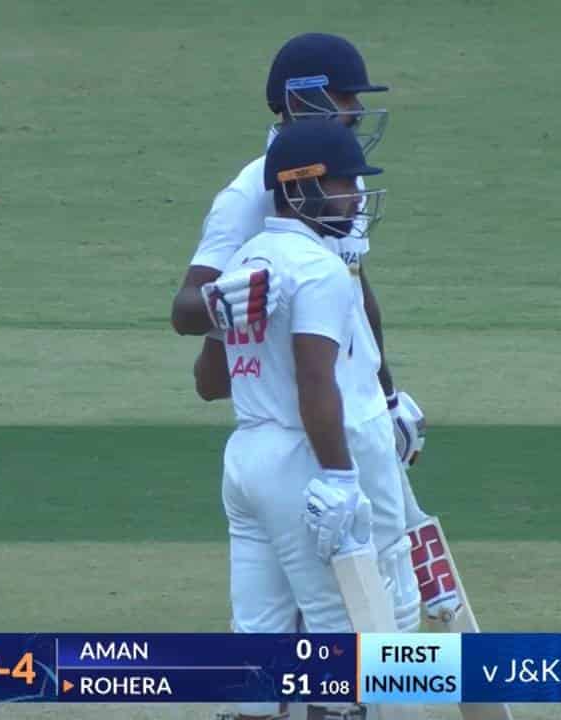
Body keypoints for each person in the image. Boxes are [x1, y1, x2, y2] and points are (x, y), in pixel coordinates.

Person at [176, 32, 427, 637]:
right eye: (345, 96)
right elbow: (189, 311)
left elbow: (356, 289)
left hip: (330, 421)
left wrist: (387, 394)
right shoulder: (250, 196)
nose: (358, 110)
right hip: (305, 431)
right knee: (354, 624)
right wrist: (227, 309)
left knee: (285, 626)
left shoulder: (340, 183)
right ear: (300, 98)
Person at [202, 120, 391, 720]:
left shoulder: (245, 258)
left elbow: (208, 382)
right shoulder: (319, 268)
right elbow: (316, 380)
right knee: (338, 636)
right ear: (302, 186)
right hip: (298, 460)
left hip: (244, 459)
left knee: (256, 641)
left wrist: (226, 329)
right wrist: (339, 474)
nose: (356, 197)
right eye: (345, 183)